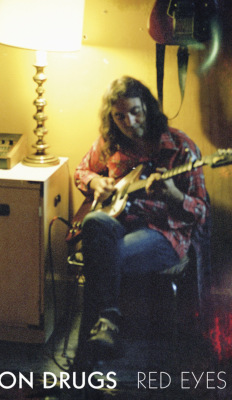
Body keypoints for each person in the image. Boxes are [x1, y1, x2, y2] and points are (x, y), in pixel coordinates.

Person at [73, 76, 209, 362]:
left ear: (147, 106)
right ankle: (107, 324)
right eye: (119, 116)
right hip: (119, 225)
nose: (129, 122)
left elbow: (200, 211)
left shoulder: (181, 146)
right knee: (94, 222)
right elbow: (81, 171)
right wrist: (95, 182)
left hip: (163, 233)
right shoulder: (110, 143)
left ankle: (94, 340)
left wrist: (174, 195)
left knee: (103, 257)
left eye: (135, 112)